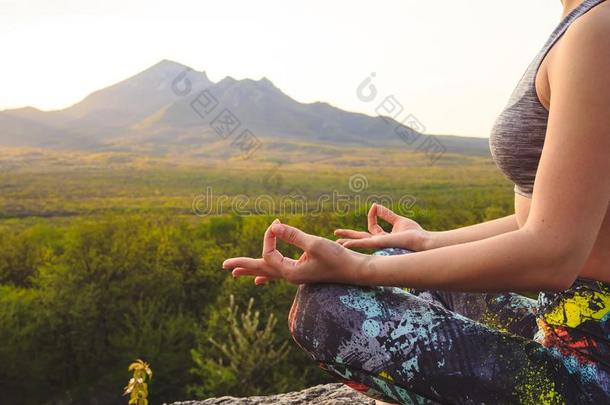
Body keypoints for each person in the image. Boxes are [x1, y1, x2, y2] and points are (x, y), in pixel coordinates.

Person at [223, 0, 610, 403]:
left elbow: (554, 253)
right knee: (397, 260)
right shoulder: (582, 23)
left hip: (594, 363)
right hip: (565, 323)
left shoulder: (597, 30)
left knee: (325, 310)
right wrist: (427, 241)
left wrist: (359, 268)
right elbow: (553, 218)